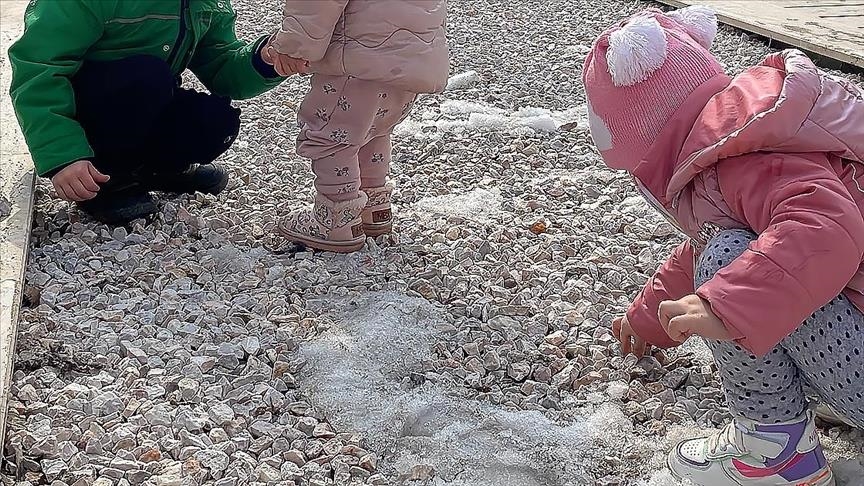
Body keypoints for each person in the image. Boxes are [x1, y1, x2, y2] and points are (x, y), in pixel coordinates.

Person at [582, 6, 864, 486]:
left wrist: (726, 302)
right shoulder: (745, 137)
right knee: (733, 257)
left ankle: (774, 453)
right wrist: (648, 316)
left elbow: (826, 227)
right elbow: (707, 240)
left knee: (726, 263)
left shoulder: (744, 160)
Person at [9, 0, 288, 224]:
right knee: (149, 76)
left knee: (215, 122)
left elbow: (222, 66)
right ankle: (103, 178)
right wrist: (63, 156)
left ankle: (154, 170)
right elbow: (39, 70)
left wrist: (265, 59)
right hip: (86, 116)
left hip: (143, 99)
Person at [262, 0, 449, 253]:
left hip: (357, 60)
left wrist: (294, 47)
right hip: (413, 61)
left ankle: (336, 220)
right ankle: (374, 206)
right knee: (375, 129)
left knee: (332, 136)